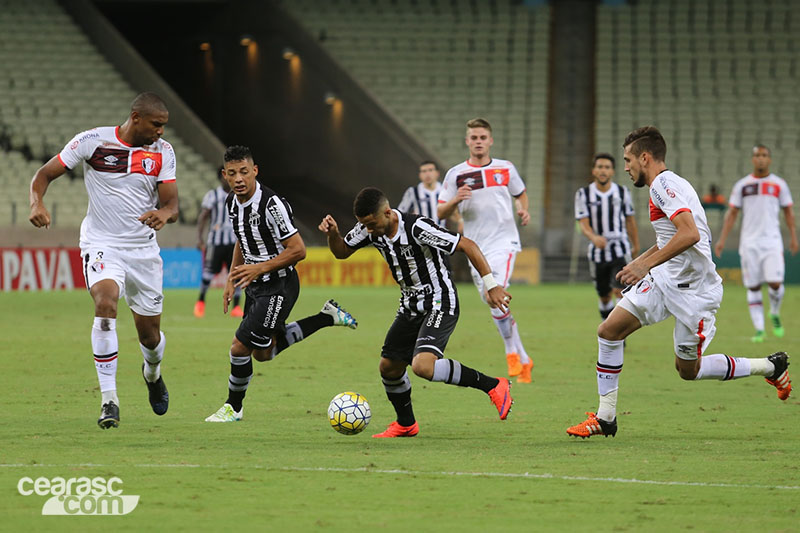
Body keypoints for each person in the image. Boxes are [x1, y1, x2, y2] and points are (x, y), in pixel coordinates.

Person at [567, 126, 792, 439]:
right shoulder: (671, 184)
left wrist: (644, 264)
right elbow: (671, 237)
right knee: (609, 331)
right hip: (665, 279)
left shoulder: (662, 184)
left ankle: (770, 367)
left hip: (694, 292)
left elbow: (690, 234)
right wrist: (641, 261)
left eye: (628, 159)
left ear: (645, 158)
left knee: (689, 371)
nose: (626, 167)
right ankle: (606, 418)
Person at [29, 92, 177, 429]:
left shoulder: (163, 153)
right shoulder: (92, 142)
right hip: (102, 244)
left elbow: (172, 204)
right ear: (136, 117)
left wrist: (163, 214)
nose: (161, 132)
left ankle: (152, 373)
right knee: (106, 304)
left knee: (150, 338)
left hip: (143, 252)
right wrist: (36, 202)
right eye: (157, 125)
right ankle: (109, 400)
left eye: (164, 126)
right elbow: (43, 174)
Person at [318, 187, 513, 438]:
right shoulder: (370, 229)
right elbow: (341, 252)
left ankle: (493, 385)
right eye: (363, 225)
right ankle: (406, 424)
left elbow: (468, 245)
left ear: (387, 213)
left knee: (423, 366)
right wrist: (333, 234)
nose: (368, 230)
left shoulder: (417, 227)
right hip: (410, 305)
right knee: (388, 367)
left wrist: (492, 285)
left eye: (371, 223)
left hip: (440, 301)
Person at [205, 145, 358, 422]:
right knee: (263, 353)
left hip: (279, 286)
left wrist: (259, 268)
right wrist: (232, 278)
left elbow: (299, 250)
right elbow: (242, 238)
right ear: (224, 175)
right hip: (255, 285)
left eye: (244, 172)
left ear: (255, 171)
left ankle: (233, 407)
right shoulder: (231, 203)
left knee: (239, 347)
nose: (239, 179)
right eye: (232, 173)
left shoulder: (271, 205)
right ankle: (325, 318)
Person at [437, 118, 533, 383]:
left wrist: (522, 208)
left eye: (482, 137)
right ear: (467, 141)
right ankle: (524, 358)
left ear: (490, 140)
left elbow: (520, 193)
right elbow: (440, 210)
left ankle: (511, 352)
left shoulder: (505, 168)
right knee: (491, 300)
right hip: (475, 248)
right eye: (474, 137)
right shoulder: (456, 174)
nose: (478, 141)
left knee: (496, 293)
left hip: (504, 242)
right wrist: (457, 199)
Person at [713, 145, 798, 343]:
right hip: (749, 243)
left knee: (776, 283)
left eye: (764, 155)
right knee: (753, 287)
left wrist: (794, 237)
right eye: (757, 156)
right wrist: (722, 240)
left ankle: (774, 313)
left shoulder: (779, 184)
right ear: (753, 159)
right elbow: (732, 213)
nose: (761, 159)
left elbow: (788, 212)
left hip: (772, 241)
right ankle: (759, 329)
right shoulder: (742, 185)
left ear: (769, 159)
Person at [574, 153, 640, 321]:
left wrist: (636, 244)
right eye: (600, 167)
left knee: (620, 291)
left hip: (620, 248)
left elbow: (630, 220)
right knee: (604, 296)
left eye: (607, 167)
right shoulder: (584, 194)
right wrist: (593, 237)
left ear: (612, 172)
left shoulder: (622, 192)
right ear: (594, 170)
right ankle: (608, 328)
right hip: (598, 252)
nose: (603, 171)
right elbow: (583, 222)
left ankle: (618, 334)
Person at [194, 169, 243, 319]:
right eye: (227, 176)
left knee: (236, 275)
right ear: (221, 178)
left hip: (234, 242)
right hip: (215, 242)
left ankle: (236, 307)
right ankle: (200, 303)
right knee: (208, 273)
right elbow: (203, 216)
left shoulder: (239, 195)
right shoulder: (212, 195)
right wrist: (200, 238)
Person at [398, 160, 449, 226]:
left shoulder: (445, 189)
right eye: (424, 171)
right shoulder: (413, 191)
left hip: (442, 231)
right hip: (421, 233)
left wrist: (460, 221)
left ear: (437, 173)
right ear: (420, 175)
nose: (427, 174)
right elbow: (401, 212)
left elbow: (454, 212)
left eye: (430, 170)